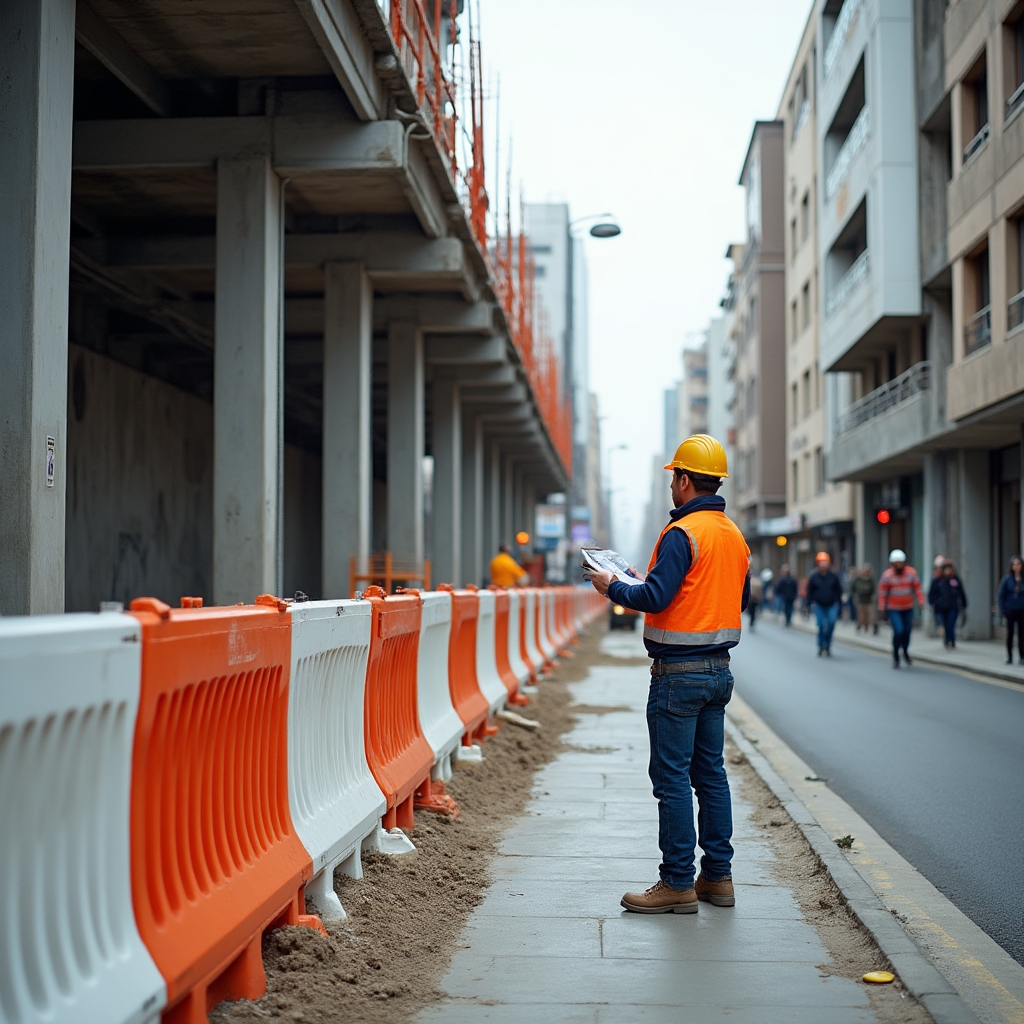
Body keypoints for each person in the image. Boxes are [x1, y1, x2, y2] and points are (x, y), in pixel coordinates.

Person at [585, 434, 750, 915]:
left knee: (673, 778)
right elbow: (733, 600)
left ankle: (677, 882)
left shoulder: (682, 533)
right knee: (710, 776)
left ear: (682, 479)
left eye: (673, 478)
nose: (671, 487)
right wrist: (644, 578)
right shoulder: (732, 535)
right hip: (719, 672)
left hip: (678, 675)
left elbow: (655, 600)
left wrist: (612, 584)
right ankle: (718, 878)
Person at [878, 549, 925, 668]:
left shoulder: (911, 573)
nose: (898, 565)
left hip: (908, 607)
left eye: (900, 562)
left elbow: (917, 588)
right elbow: (883, 592)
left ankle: (905, 650)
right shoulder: (887, 575)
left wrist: (921, 600)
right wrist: (882, 606)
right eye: (895, 563)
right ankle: (895, 654)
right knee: (898, 630)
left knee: (907, 631)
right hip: (894, 608)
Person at [806, 551, 842, 656]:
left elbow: (839, 592)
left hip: (831, 604)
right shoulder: (814, 577)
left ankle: (828, 645)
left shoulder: (833, 577)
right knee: (821, 625)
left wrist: (840, 607)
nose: (823, 565)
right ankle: (821, 645)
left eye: (825, 562)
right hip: (819, 605)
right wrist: (807, 606)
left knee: (831, 624)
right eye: (821, 562)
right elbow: (809, 592)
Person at [928, 560, 967, 649]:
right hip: (941, 607)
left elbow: (961, 593)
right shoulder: (938, 580)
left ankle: (952, 641)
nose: (948, 571)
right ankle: (947, 640)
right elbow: (932, 593)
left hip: (953, 606)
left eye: (950, 569)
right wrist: (933, 603)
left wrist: (964, 604)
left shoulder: (955, 579)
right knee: (945, 624)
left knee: (951, 624)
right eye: (946, 569)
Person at [997, 556, 1024, 664]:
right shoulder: (1007, 579)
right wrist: (1003, 609)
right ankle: (1010, 656)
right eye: (1014, 564)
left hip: (1022, 609)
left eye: (1018, 564)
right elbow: (1001, 595)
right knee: (1010, 633)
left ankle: (1022, 656)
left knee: (1022, 634)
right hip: (1010, 610)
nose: (1016, 566)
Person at [849, 564, 877, 634]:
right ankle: (861, 626)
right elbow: (852, 588)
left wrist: (875, 596)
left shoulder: (871, 579)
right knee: (862, 616)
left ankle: (875, 627)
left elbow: (874, 588)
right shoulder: (858, 579)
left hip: (869, 599)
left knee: (872, 615)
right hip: (860, 599)